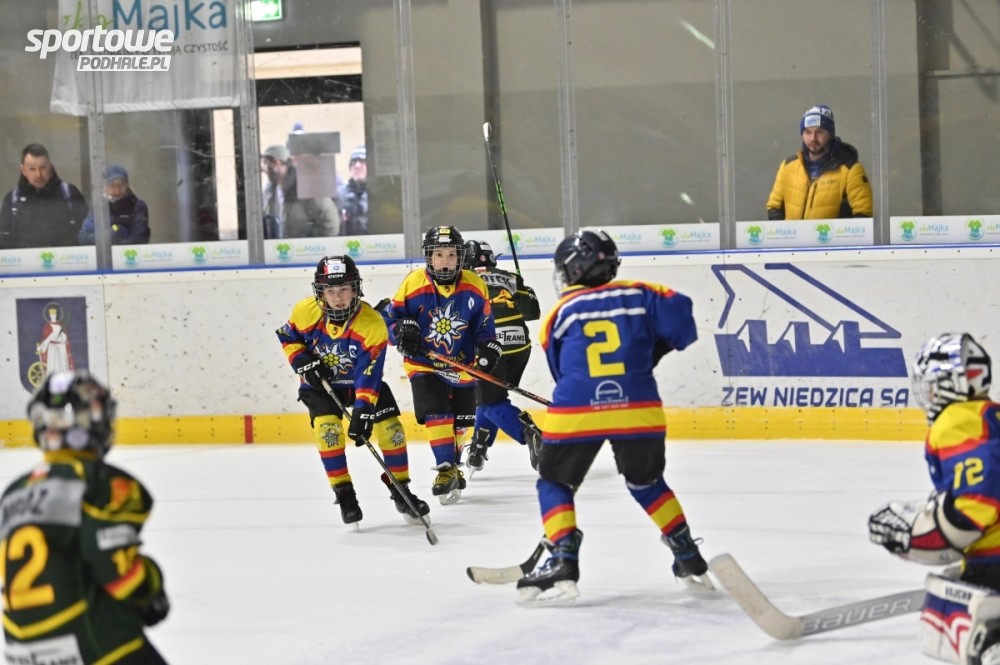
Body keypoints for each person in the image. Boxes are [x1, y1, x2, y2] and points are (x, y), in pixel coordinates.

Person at [516, 229, 711, 604]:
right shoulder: (642, 293)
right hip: (638, 406)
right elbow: (683, 324)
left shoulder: (560, 311)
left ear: (574, 269)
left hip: (577, 408)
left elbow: (560, 368)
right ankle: (687, 553)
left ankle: (563, 559)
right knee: (647, 482)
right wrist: (650, 352)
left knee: (555, 483)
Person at [1, 370, 170, 664]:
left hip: (21, 652)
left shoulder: (13, 494)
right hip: (89, 640)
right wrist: (151, 588)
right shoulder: (101, 483)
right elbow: (116, 567)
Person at [868, 333, 1000, 665]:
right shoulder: (989, 414)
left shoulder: (959, 420)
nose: (926, 396)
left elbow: (974, 508)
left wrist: (912, 536)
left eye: (931, 386)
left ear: (951, 384)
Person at [277, 255, 429, 528]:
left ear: (356, 288)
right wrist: (301, 361)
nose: (338, 298)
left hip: (360, 385)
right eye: (331, 291)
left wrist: (363, 412)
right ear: (320, 292)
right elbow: (288, 337)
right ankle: (344, 493)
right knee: (328, 430)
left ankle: (401, 490)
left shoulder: (372, 324)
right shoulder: (305, 312)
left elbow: (368, 373)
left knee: (391, 429)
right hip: (321, 386)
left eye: (344, 289)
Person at [384, 226, 500, 504]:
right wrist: (400, 331)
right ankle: (446, 469)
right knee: (436, 412)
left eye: (451, 255)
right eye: (439, 255)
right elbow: (390, 321)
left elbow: (485, 327)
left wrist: (488, 348)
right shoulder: (413, 283)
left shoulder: (475, 284)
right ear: (429, 256)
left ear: (460, 257)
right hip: (424, 363)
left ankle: (454, 466)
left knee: (462, 421)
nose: (445, 261)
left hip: (463, 365)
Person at [461, 239, 543, 475]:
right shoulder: (510, 277)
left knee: (489, 400)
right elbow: (532, 313)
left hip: (490, 349)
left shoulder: (464, 281)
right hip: (519, 348)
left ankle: (530, 433)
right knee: (490, 397)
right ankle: (478, 448)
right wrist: (524, 288)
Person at [765, 104, 873, 220]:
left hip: (831, 233)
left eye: (820, 132)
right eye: (808, 132)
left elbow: (864, 212)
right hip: (793, 233)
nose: (813, 138)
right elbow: (774, 206)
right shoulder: (787, 166)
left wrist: (839, 231)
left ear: (830, 134)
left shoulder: (850, 169)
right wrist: (783, 231)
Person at [0, 143, 88, 249]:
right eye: (32, 169)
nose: (38, 174)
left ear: (50, 167)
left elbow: (86, 233)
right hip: (25, 259)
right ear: (23, 170)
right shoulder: (12, 199)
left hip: (67, 258)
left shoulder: (69, 193)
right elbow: (4, 240)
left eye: (43, 168)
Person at [261, 144, 340, 239]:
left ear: (275, 163)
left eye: (265, 162)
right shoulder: (269, 191)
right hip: (277, 247)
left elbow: (330, 225)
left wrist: (308, 243)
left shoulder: (309, 187)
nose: (262, 168)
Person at [78, 165, 151, 245]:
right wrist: (110, 236)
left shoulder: (137, 206)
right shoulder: (99, 206)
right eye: (112, 185)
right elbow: (83, 237)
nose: (117, 191)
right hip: (102, 252)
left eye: (121, 185)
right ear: (104, 187)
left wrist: (117, 243)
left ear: (127, 186)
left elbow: (138, 239)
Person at [338, 145, 368, 236]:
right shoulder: (340, 194)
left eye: (362, 161)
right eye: (354, 162)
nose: (357, 165)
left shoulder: (379, 194)